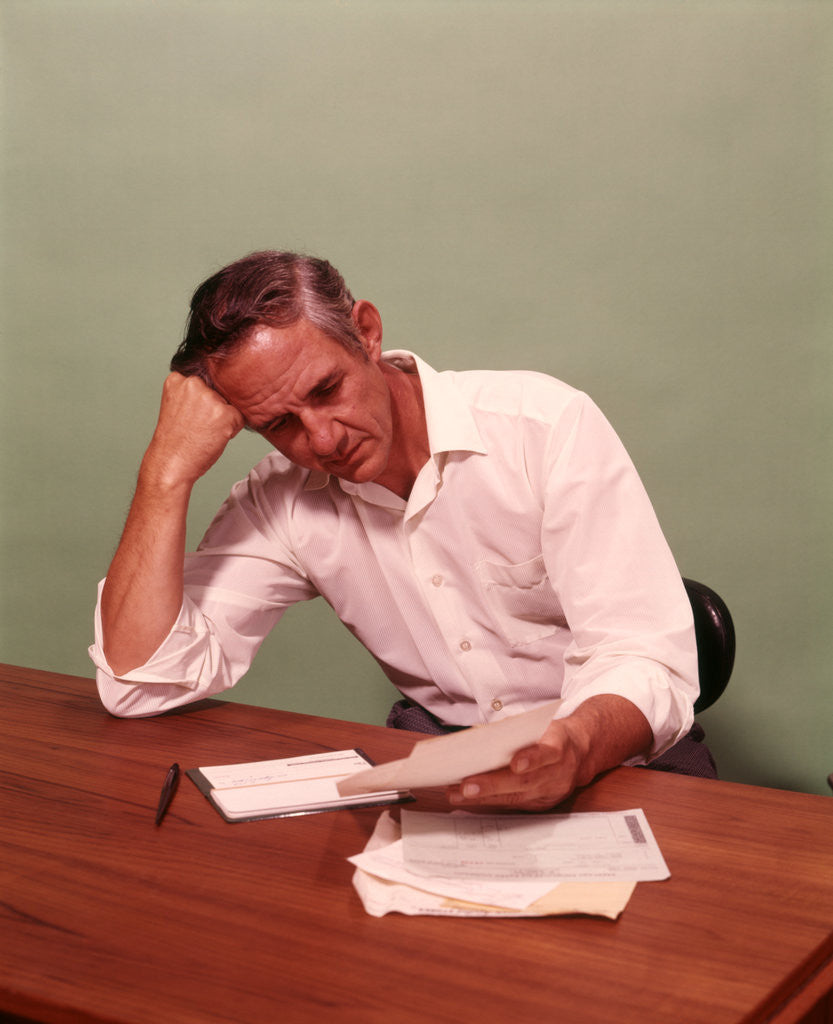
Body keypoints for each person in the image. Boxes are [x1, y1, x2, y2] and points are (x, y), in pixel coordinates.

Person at [90, 250, 702, 811]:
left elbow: (646, 656)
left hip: (614, 752)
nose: (323, 439)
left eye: (327, 389)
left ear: (367, 331)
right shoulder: (280, 499)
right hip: (444, 767)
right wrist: (164, 475)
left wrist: (573, 747)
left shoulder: (541, 426)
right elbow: (140, 685)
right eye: (279, 424)